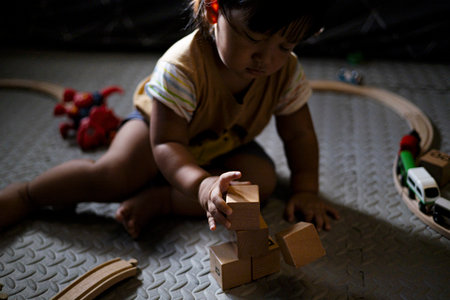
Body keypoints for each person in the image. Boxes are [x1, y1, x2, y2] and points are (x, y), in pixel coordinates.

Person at [0, 0, 339, 238]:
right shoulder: (182, 68)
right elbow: (168, 143)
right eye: (254, 38)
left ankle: (164, 201)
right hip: (159, 132)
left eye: (286, 44)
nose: (266, 59)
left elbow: (299, 136)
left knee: (260, 183)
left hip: (223, 140)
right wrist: (202, 184)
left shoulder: (286, 72)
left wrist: (306, 189)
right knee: (115, 175)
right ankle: (29, 195)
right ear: (213, 10)